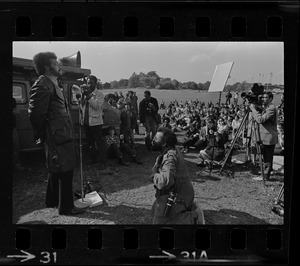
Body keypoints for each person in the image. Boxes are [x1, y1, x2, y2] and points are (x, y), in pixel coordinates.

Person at [28, 52, 85, 215]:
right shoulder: (42, 84)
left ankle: (52, 200)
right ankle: (66, 208)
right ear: (47, 67)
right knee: (65, 169)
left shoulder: (51, 82)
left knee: (57, 168)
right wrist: (43, 134)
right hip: (56, 136)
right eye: (55, 64)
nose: (59, 66)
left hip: (60, 134)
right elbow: (35, 114)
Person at [151, 128, 205, 224]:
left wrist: (154, 175)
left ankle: (194, 216)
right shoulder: (172, 149)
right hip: (180, 192)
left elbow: (165, 182)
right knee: (154, 210)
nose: (153, 140)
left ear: (164, 144)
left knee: (158, 223)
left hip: (179, 195)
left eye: (156, 138)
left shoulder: (170, 157)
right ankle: (186, 208)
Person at [249, 91, 278, 181]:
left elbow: (260, 120)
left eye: (265, 98)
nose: (263, 99)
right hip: (264, 137)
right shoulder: (266, 107)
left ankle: (265, 176)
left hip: (268, 137)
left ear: (270, 98)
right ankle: (265, 174)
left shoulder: (271, 108)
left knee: (267, 158)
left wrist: (253, 110)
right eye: (262, 98)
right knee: (265, 157)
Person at [81, 75, 107, 170]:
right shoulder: (86, 93)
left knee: (99, 143)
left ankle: (103, 162)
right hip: (87, 122)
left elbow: (96, 106)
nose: (89, 85)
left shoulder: (99, 94)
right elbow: (82, 106)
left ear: (95, 84)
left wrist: (88, 97)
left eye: (91, 83)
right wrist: (83, 97)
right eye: (88, 83)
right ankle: (93, 159)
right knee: (89, 143)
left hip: (96, 123)